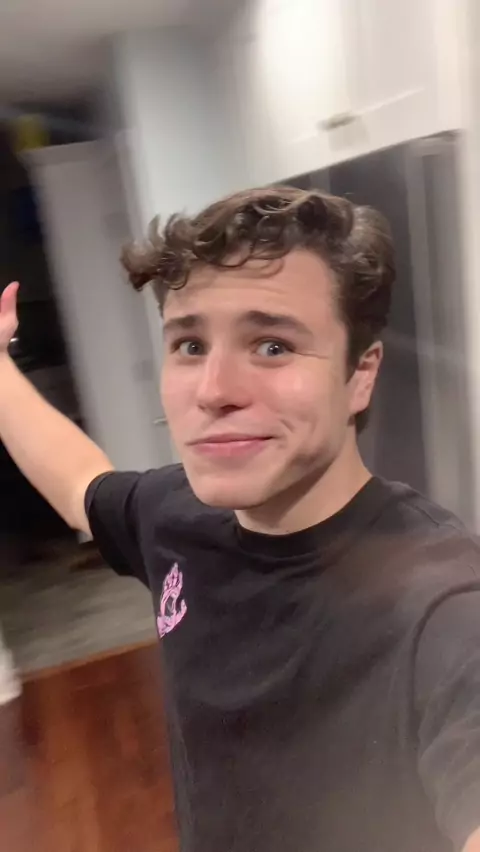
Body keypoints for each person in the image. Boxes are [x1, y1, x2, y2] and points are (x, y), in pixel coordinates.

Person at [1, 186, 480, 852]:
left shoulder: (446, 605)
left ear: (360, 376)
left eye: (273, 346)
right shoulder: (174, 516)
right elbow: (79, 480)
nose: (213, 391)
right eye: (190, 345)